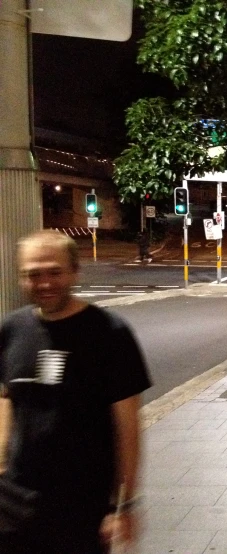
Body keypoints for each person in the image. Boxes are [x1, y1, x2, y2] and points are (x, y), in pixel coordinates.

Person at [0, 230, 151, 553]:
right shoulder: (11, 330)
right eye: (33, 274)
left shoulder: (110, 334)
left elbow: (128, 428)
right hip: (12, 504)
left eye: (54, 271)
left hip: (81, 508)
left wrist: (123, 504)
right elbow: (6, 398)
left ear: (74, 271)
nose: (44, 283)